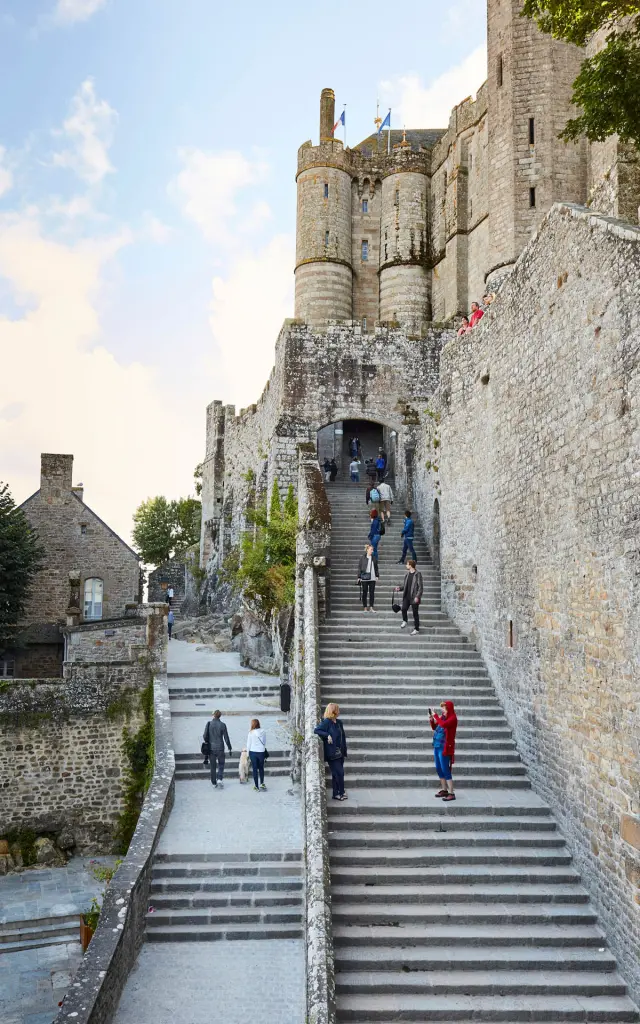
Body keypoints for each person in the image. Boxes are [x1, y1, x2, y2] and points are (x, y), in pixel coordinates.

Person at [314, 703, 348, 801]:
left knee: (336, 774)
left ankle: (336, 793)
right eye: (338, 709)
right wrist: (327, 735)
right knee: (339, 773)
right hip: (332, 753)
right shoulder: (326, 722)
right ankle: (341, 793)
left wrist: (344, 749)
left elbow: (343, 737)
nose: (339, 711)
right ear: (333, 711)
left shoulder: (339, 722)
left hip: (340, 752)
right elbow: (317, 730)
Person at [429, 701, 458, 801]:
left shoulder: (452, 718)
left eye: (444, 709)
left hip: (445, 747)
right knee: (438, 768)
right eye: (442, 708)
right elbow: (435, 727)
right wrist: (432, 719)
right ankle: (444, 790)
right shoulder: (443, 717)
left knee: (445, 768)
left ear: (449, 709)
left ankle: (451, 793)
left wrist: (436, 716)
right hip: (437, 745)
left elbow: (444, 725)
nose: (442, 710)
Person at [203, 710, 232, 789]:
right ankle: (219, 778)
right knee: (221, 764)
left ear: (213, 715)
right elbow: (226, 738)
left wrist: (208, 740)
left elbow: (205, 736)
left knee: (213, 766)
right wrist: (229, 747)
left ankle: (213, 782)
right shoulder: (223, 725)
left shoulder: (209, 724)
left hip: (211, 748)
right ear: (220, 716)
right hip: (220, 748)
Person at [401, 558, 423, 635]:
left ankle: (416, 629)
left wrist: (417, 597)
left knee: (415, 613)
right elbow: (405, 586)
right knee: (403, 608)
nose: (406, 565)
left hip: (414, 597)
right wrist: (399, 588)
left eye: (407, 564)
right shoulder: (407, 574)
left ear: (411, 565)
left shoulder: (418, 574)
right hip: (407, 596)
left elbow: (420, 587)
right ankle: (405, 620)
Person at [247, 717, 268, 791]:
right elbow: (264, 742)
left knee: (255, 769)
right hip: (261, 752)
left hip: (253, 752)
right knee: (261, 768)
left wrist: (247, 755)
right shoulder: (263, 731)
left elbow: (248, 744)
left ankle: (256, 786)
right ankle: (262, 783)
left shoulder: (251, 733)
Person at [357, 543, 379, 612]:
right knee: (364, 592)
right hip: (364, 578)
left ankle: (371, 607)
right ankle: (365, 607)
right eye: (371, 549)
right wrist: (359, 577)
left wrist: (377, 576)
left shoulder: (374, 558)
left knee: (372, 593)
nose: (372, 551)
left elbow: (376, 568)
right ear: (367, 550)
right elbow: (359, 567)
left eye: (372, 550)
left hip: (372, 578)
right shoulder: (363, 558)